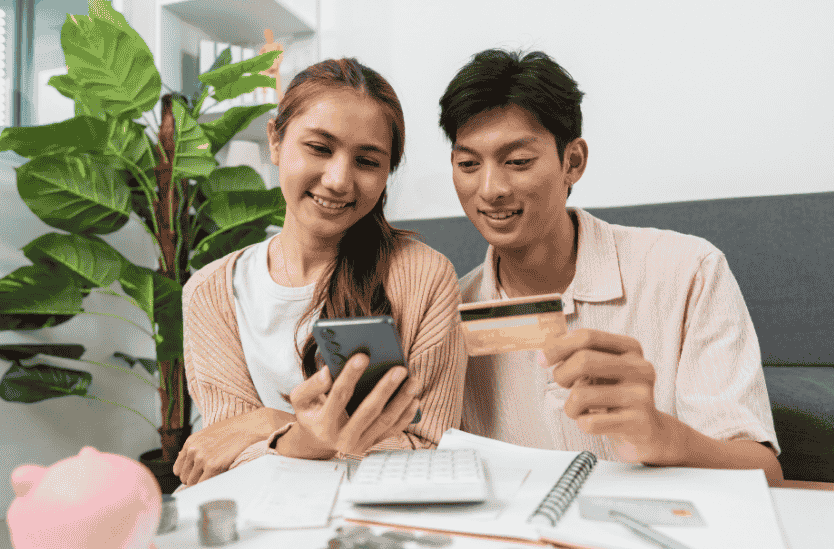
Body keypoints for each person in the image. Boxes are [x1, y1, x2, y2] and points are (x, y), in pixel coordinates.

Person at [438, 49, 783, 483]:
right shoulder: (450, 312)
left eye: (518, 161)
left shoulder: (690, 271)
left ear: (573, 162)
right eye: (468, 164)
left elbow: (766, 473)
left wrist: (660, 435)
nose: (490, 189)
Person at [175, 58, 466, 486]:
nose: (338, 180)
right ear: (275, 140)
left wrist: (268, 424)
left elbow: (428, 445)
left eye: (367, 161)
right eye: (319, 148)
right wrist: (306, 433)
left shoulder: (425, 277)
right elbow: (225, 455)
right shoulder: (210, 291)